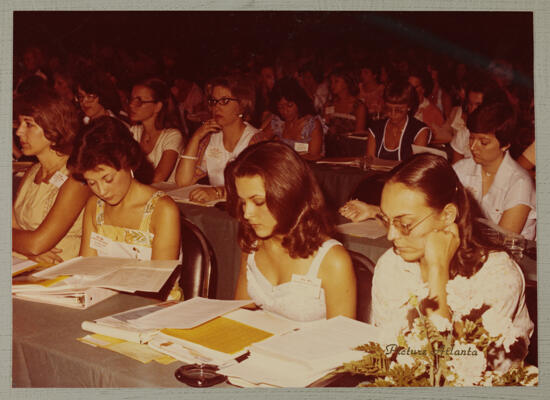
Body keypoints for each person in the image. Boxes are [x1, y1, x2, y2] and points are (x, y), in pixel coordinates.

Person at [351, 154, 533, 371]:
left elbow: (447, 369)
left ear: (447, 216)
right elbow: (392, 355)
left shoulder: (498, 274)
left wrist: (438, 269)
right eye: (386, 220)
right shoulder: (392, 264)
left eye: (405, 224)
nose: (391, 235)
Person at [227, 141, 357, 322]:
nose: (247, 214)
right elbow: (241, 315)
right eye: (243, 202)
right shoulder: (253, 244)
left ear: (288, 195)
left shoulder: (333, 260)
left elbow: (343, 340)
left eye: (258, 202)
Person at [68, 115, 181, 263]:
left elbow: (159, 279)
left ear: (128, 163)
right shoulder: (95, 206)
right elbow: (87, 267)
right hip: (101, 286)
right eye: (91, 182)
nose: (101, 191)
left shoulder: (162, 210)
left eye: (108, 179)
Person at [13, 89, 91, 263]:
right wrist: (27, 251)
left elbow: (37, 244)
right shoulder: (32, 171)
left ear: (53, 126)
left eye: (29, 124)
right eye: (19, 124)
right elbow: (13, 228)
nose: (19, 132)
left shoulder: (77, 177)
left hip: (59, 271)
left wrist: (29, 248)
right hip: (24, 263)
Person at [175, 73, 263, 203]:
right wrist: (195, 137)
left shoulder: (256, 140)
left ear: (242, 105)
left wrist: (217, 192)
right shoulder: (209, 138)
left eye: (224, 101)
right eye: (213, 101)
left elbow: (255, 187)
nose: (217, 107)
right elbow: (183, 181)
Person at [453, 103, 536, 240]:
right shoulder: (461, 169)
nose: (473, 147)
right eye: (471, 138)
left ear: (505, 144)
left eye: (483, 142)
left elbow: (503, 239)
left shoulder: (519, 182)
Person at [129, 78, 184, 183]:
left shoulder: (172, 136)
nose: (132, 105)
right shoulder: (133, 132)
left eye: (139, 101)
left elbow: (158, 177)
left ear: (157, 107)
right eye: (132, 99)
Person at [261, 77, 324, 160]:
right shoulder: (278, 123)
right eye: (280, 107)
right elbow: (260, 142)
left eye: (289, 105)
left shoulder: (312, 125)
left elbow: (314, 157)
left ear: (299, 103)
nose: (285, 111)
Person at [366, 79, 431, 161]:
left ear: (409, 107)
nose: (392, 114)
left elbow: (415, 167)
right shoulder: (376, 128)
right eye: (388, 109)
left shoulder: (419, 131)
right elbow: (370, 162)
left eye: (399, 110)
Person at [323, 67, 367, 157]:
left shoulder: (358, 107)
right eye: (331, 82)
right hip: (331, 150)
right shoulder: (329, 104)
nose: (332, 85)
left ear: (347, 83)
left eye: (336, 81)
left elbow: (359, 135)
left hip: (350, 151)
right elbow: (324, 128)